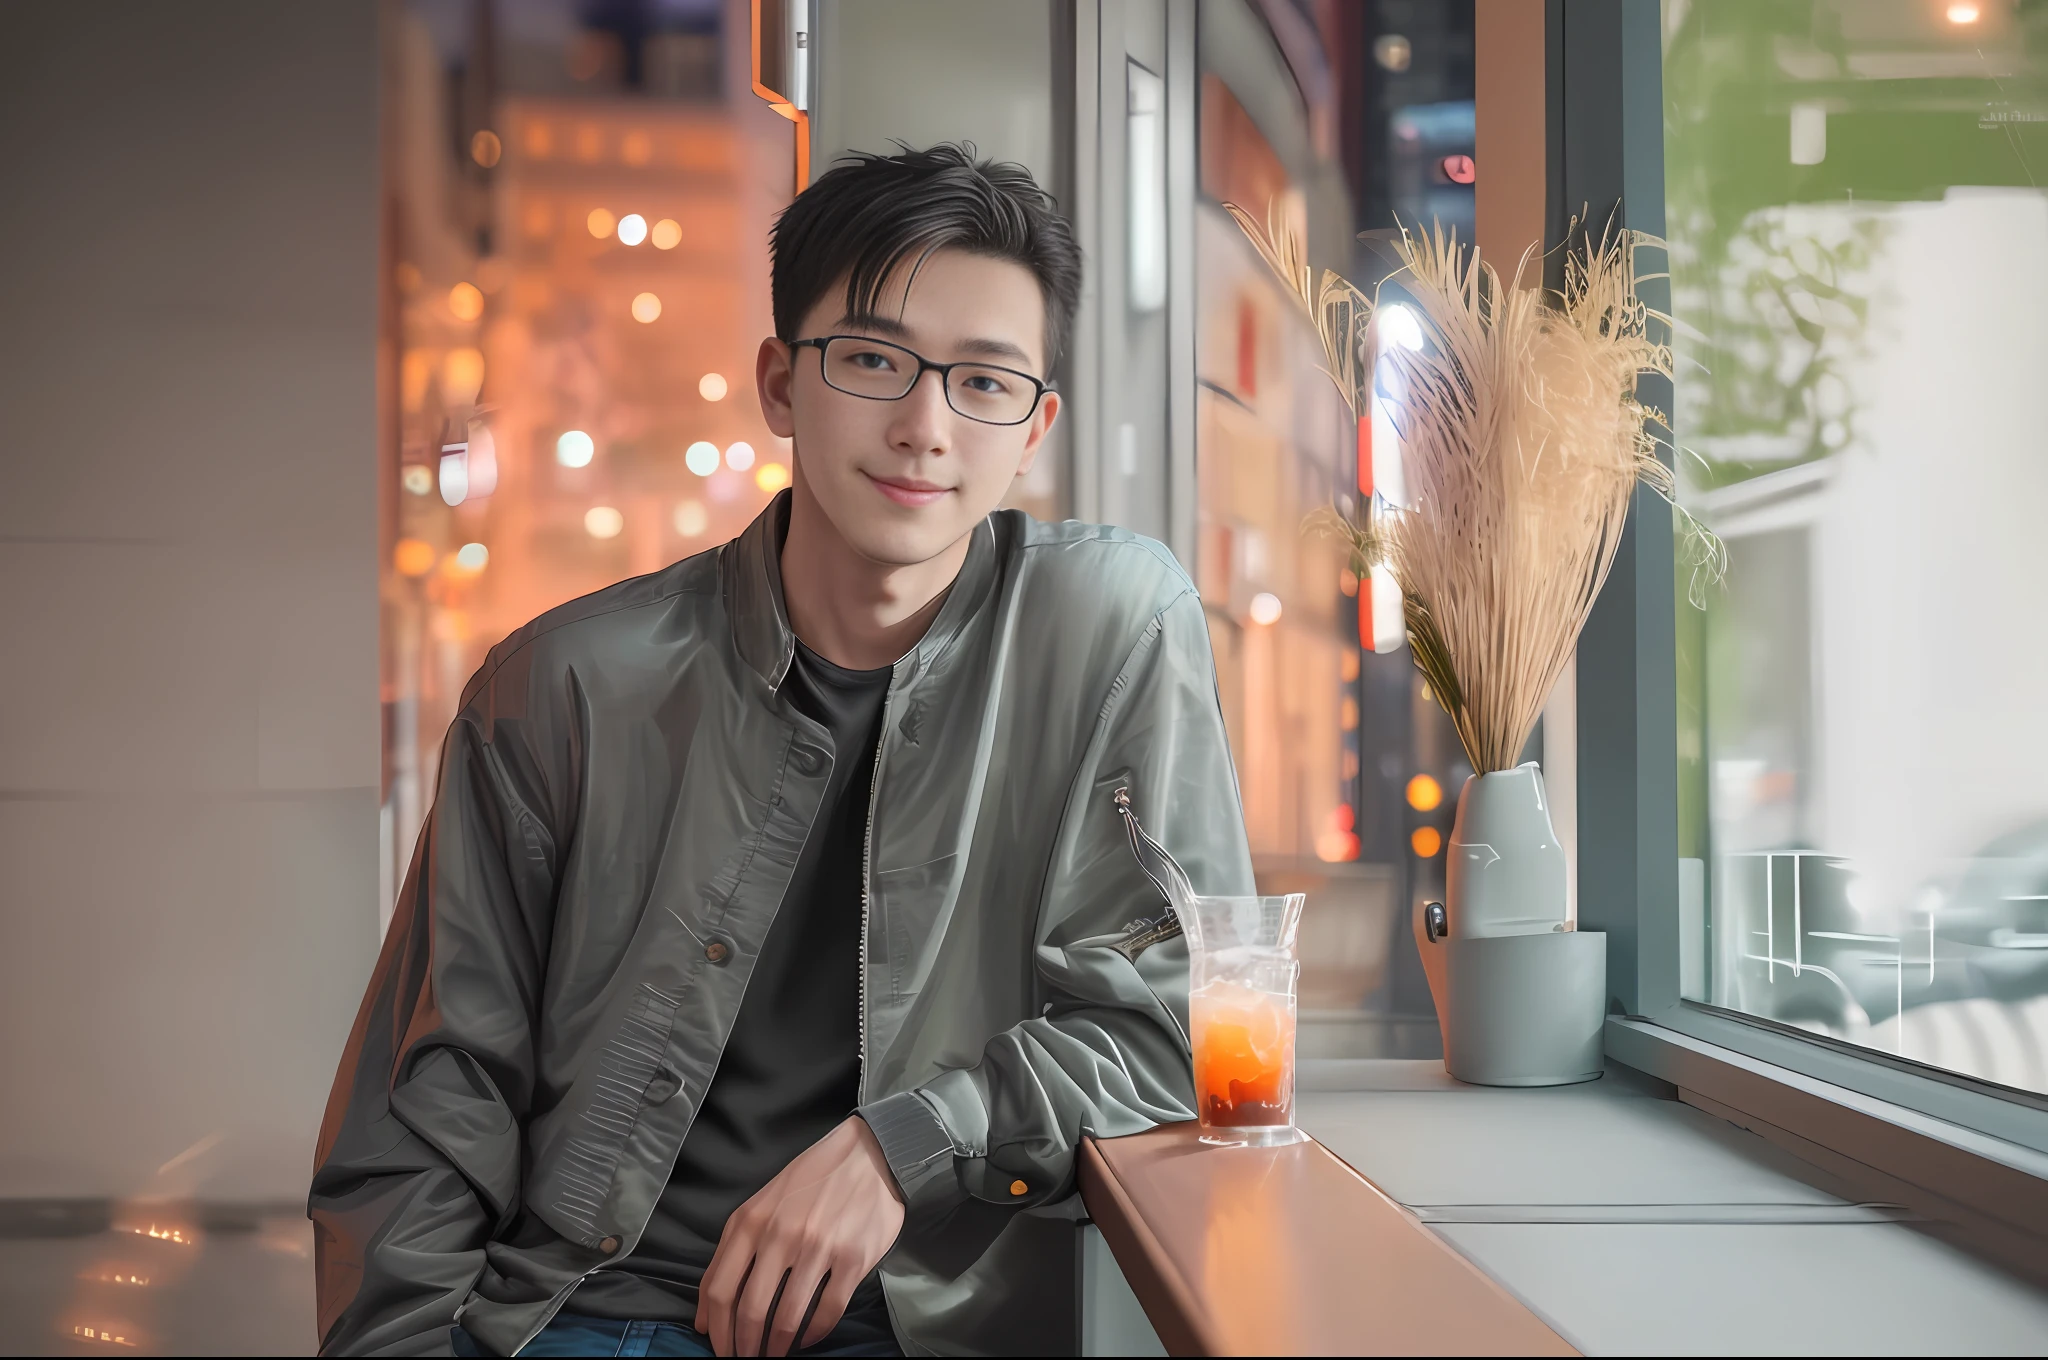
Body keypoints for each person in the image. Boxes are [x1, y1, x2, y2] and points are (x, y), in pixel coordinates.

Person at [310, 142, 1253, 1358]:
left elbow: (1179, 1026)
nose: (925, 427)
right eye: (872, 361)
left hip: (906, 1315)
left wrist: (900, 1143)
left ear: (1034, 428)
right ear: (778, 381)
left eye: (983, 382)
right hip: (574, 1313)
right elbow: (431, 1107)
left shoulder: (1109, 624)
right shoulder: (563, 686)